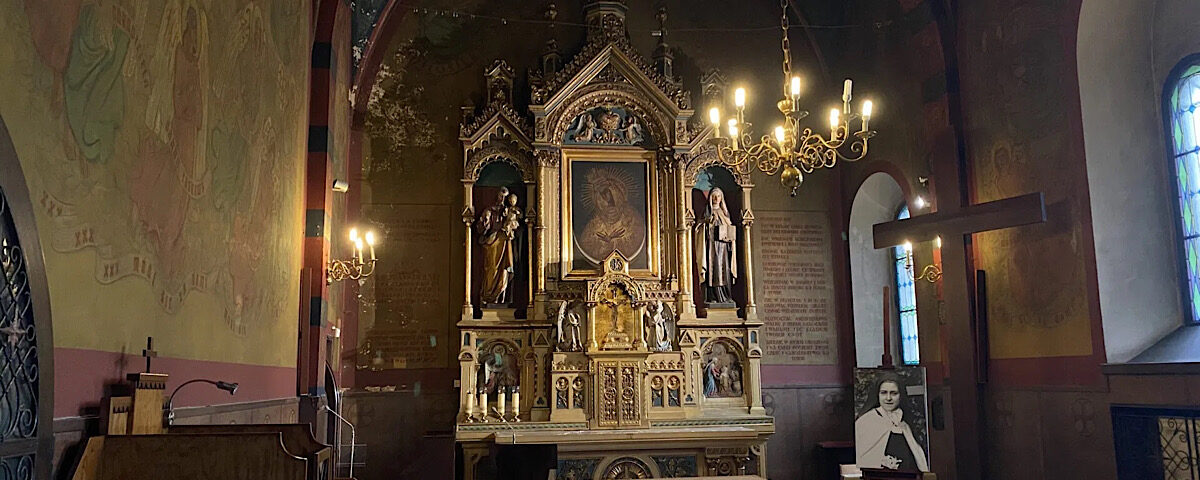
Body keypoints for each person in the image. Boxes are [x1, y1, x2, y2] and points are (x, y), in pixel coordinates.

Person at [855, 374, 929, 472]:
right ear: (878, 395)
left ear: (901, 395)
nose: (888, 398)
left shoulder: (905, 424)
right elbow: (863, 458)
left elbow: (919, 460)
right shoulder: (865, 421)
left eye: (894, 393)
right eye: (884, 393)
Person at [695, 187, 737, 304]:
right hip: (711, 247)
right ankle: (712, 296)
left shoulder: (725, 213)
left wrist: (729, 237)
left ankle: (726, 296)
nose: (716, 198)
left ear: (721, 198)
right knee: (713, 271)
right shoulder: (706, 213)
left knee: (724, 270)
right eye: (713, 196)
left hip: (723, 248)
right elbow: (698, 229)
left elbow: (729, 227)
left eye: (718, 196)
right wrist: (707, 223)